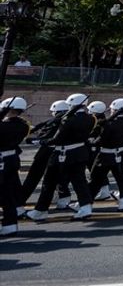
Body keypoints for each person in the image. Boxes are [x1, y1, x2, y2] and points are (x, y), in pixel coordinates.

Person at [27, 93, 96, 221]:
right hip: (80, 152)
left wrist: (41, 141)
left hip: (63, 154)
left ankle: (41, 210)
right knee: (79, 181)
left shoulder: (68, 119)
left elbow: (57, 139)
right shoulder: (91, 118)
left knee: (49, 182)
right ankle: (86, 207)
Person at [88, 98, 123, 211]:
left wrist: (91, 142)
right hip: (121, 154)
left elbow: (101, 140)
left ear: (114, 110)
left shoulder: (108, 124)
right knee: (122, 179)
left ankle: (84, 204)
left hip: (105, 156)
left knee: (95, 180)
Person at [1, 97, 32, 236]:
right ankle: (10, 224)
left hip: (1, 161)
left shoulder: (4, 126)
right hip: (12, 160)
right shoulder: (24, 125)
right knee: (7, 193)